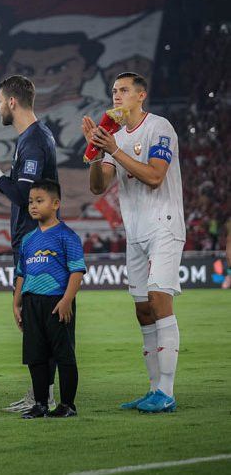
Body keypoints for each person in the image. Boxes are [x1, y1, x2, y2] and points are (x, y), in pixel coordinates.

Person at [86, 72, 184, 413]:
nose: (116, 96)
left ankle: (167, 392)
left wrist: (114, 149)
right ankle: (153, 388)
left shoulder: (159, 127)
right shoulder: (115, 136)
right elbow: (99, 187)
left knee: (159, 300)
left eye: (124, 90)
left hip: (164, 224)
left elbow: (156, 177)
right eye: (114, 91)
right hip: (136, 230)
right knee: (142, 309)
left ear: (141, 95)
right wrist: (100, 153)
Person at [0, 75, 61, 412]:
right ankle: (41, 391)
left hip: (35, 241)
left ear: (12, 102)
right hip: (32, 239)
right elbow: (22, 190)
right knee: (34, 319)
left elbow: (26, 196)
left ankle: (44, 394)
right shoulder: (34, 138)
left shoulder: (34, 140)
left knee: (36, 319)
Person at [12, 180, 85, 419]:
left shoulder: (67, 236)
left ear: (56, 204)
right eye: (31, 201)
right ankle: (41, 404)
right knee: (36, 356)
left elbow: (76, 271)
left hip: (57, 302)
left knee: (63, 355)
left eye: (39, 201)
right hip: (32, 303)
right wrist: (17, 302)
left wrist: (66, 301)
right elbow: (21, 273)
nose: (33, 206)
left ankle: (67, 405)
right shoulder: (28, 239)